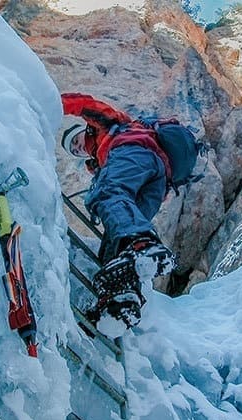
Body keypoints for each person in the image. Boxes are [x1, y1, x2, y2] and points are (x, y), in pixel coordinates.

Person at [60, 92, 175, 326]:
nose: (78, 147)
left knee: (105, 195)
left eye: (75, 140)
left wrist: (49, 101)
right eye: (74, 150)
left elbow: (84, 104)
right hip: (156, 177)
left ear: (84, 130)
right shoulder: (102, 160)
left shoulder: (109, 126)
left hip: (133, 151)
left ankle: (143, 244)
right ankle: (121, 297)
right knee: (115, 239)